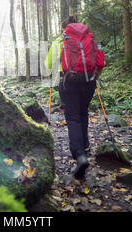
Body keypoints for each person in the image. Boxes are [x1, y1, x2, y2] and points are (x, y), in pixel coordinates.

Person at [45, 15, 105, 179]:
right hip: (89, 82)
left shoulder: (60, 41)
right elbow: (100, 62)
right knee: (83, 112)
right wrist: (95, 76)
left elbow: (48, 64)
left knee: (73, 118)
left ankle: (79, 155)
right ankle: (85, 146)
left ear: (65, 27)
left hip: (69, 82)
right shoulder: (89, 38)